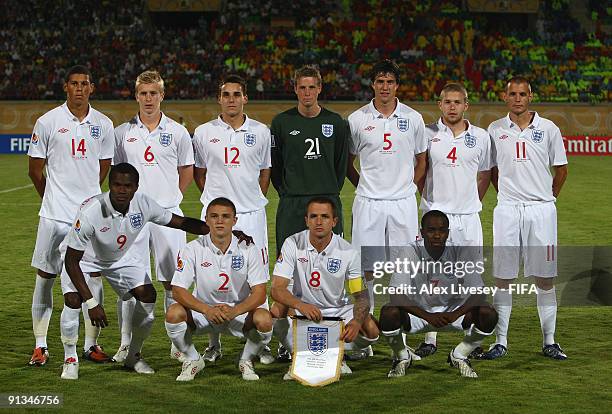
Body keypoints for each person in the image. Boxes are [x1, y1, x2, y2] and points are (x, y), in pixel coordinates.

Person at [59, 163, 212, 380]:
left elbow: (180, 223)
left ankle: (133, 356)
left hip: (118, 258)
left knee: (148, 294)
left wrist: (218, 229)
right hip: (83, 259)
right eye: (117, 185)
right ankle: (70, 359)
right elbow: (71, 261)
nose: (122, 190)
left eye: (127, 186)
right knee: (74, 300)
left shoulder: (143, 204)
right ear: (109, 185)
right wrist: (92, 303)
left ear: (136, 187)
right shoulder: (90, 211)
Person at [27, 65, 114, 366]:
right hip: (54, 216)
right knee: (46, 277)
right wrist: (53, 199)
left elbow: (103, 168)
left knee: (92, 277)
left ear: (92, 88)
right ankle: (40, 345)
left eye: (84, 84)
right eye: (74, 84)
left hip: (89, 218)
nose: (79, 88)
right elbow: (35, 170)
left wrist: (85, 200)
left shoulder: (103, 124)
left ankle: (92, 345)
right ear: (66, 87)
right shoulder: (47, 121)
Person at [477, 77, 568, 360]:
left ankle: (549, 341)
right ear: (505, 97)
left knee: (545, 278)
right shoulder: (494, 130)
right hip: (507, 210)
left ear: (530, 96)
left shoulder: (549, 128)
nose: (518, 99)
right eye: (512, 94)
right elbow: (491, 171)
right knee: (502, 277)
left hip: (541, 211)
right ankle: (500, 342)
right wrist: (509, 194)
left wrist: (544, 197)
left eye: (522, 94)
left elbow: (561, 170)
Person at [113, 70, 194, 363]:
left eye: (153, 93)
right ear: (136, 96)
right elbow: (116, 174)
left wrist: (172, 198)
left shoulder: (178, 132)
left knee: (174, 281)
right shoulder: (121, 133)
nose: (148, 99)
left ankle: (177, 342)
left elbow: (187, 170)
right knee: (130, 282)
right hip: (131, 216)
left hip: (168, 215)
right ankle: (125, 344)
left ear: (162, 95)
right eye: (143, 93)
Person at [347, 59, 427, 357]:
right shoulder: (357, 119)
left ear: (397, 86)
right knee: (364, 271)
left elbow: (422, 159)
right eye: (380, 81)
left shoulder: (414, 118)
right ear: (373, 84)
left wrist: (410, 187)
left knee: (402, 271)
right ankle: (365, 337)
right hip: (368, 203)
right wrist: (364, 186)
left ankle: (399, 344)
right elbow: (348, 162)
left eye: (390, 82)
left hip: (402, 204)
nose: (384, 87)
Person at [192, 74, 273, 364]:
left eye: (236, 95)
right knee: (213, 277)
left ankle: (259, 344)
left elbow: (265, 171)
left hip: (251, 215)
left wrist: (249, 201)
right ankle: (214, 344)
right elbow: (199, 173)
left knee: (256, 278)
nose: (231, 100)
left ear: (245, 99)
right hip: (216, 217)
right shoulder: (202, 132)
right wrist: (218, 206)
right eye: (226, 95)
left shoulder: (261, 132)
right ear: (219, 99)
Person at [270, 65, 349, 360]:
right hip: (292, 204)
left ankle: (330, 337)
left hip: (327, 201)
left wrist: (326, 193)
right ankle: (288, 342)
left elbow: (340, 164)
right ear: (295, 89)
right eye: (301, 87)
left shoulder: (336, 124)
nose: (307, 93)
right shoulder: (280, 122)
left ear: (320, 89)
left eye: (311, 87)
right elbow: (276, 167)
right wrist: (291, 192)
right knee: (289, 274)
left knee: (330, 272)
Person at [414, 82, 492, 358]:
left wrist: (473, 202)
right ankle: (430, 338)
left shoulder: (481, 137)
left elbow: (485, 175)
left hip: (468, 218)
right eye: (447, 102)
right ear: (440, 104)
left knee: (471, 275)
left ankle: (474, 338)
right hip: (436, 218)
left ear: (466, 105)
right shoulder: (427, 133)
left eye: (457, 102)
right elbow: (420, 173)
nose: (452, 107)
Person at [379, 210, 498, 378]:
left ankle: (459, 355)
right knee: (388, 312)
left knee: (488, 313)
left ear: (447, 233)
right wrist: (427, 316)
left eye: (441, 230)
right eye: (431, 230)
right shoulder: (409, 251)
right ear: (421, 233)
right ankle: (401, 357)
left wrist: (455, 313)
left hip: (452, 315)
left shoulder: (460, 251)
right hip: (418, 315)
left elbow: (479, 293)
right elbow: (395, 295)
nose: (436, 235)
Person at [165, 197, 273, 382]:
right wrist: (207, 309)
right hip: (205, 312)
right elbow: (178, 290)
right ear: (206, 220)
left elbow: (260, 292)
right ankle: (193, 359)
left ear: (235, 221)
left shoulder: (249, 249)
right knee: (173, 313)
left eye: (225, 216)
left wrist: (235, 311)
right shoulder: (192, 249)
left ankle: (245, 360)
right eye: (214, 216)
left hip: (237, 312)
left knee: (264, 319)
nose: (220, 221)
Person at [270, 197, 379, 379]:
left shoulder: (348, 252)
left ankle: (334, 352)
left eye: (325, 217)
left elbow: (362, 297)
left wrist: (356, 322)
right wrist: (300, 305)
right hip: (302, 312)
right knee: (277, 308)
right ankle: (301, 353)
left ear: (334, 221)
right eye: (313, 216)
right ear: (306, 220)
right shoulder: (292, 243)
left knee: (371, 328)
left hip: (336, 312)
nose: (319, 222)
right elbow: (277, 289)